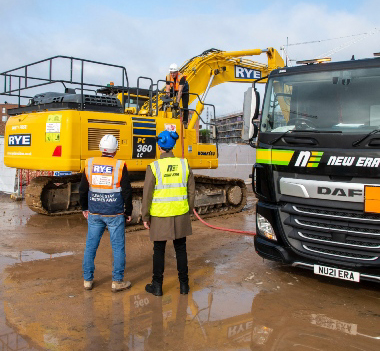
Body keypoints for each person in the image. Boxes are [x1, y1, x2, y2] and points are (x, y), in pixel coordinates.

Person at [142, 130, 195, 296]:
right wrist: (189, 211)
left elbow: (147, 194)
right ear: (173, 146)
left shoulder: (154, 167)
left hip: (159, 216)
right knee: (181, 249)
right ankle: (184, 286)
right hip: (180, 214)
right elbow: (191, 192)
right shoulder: (184, 164)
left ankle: (157, 286)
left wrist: (145, 216)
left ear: (159, 146)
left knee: (159, 250)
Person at [79, 134, 133, 292]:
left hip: (94, 212)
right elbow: (127, 191)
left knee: (91, 247)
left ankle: (87, 280)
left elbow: (83, 189)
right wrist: (128, 210)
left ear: (101, 148)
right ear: (115, 150)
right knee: (118, 248)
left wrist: (84, 208)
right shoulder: (120, 165)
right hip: (115, 213)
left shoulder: (89, 163)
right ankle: (117, 281)